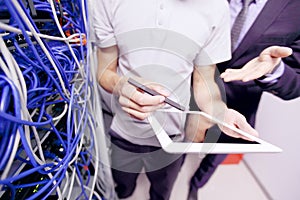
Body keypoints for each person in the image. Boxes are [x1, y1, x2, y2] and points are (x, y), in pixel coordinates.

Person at [92, 0, 258, 199]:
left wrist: (220, 112)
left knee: (162, 191)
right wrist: (121, 86)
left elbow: (203, 80)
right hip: (122, 130)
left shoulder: (217, 7)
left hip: (174, 137)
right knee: (122, 188)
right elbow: (104, 71)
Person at [188, 0, 300, 199]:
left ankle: (196, 185)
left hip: (241, 102)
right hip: (193, 86)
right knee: (182, 142)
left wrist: (273, 70)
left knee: (215, 157)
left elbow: (296, 83)